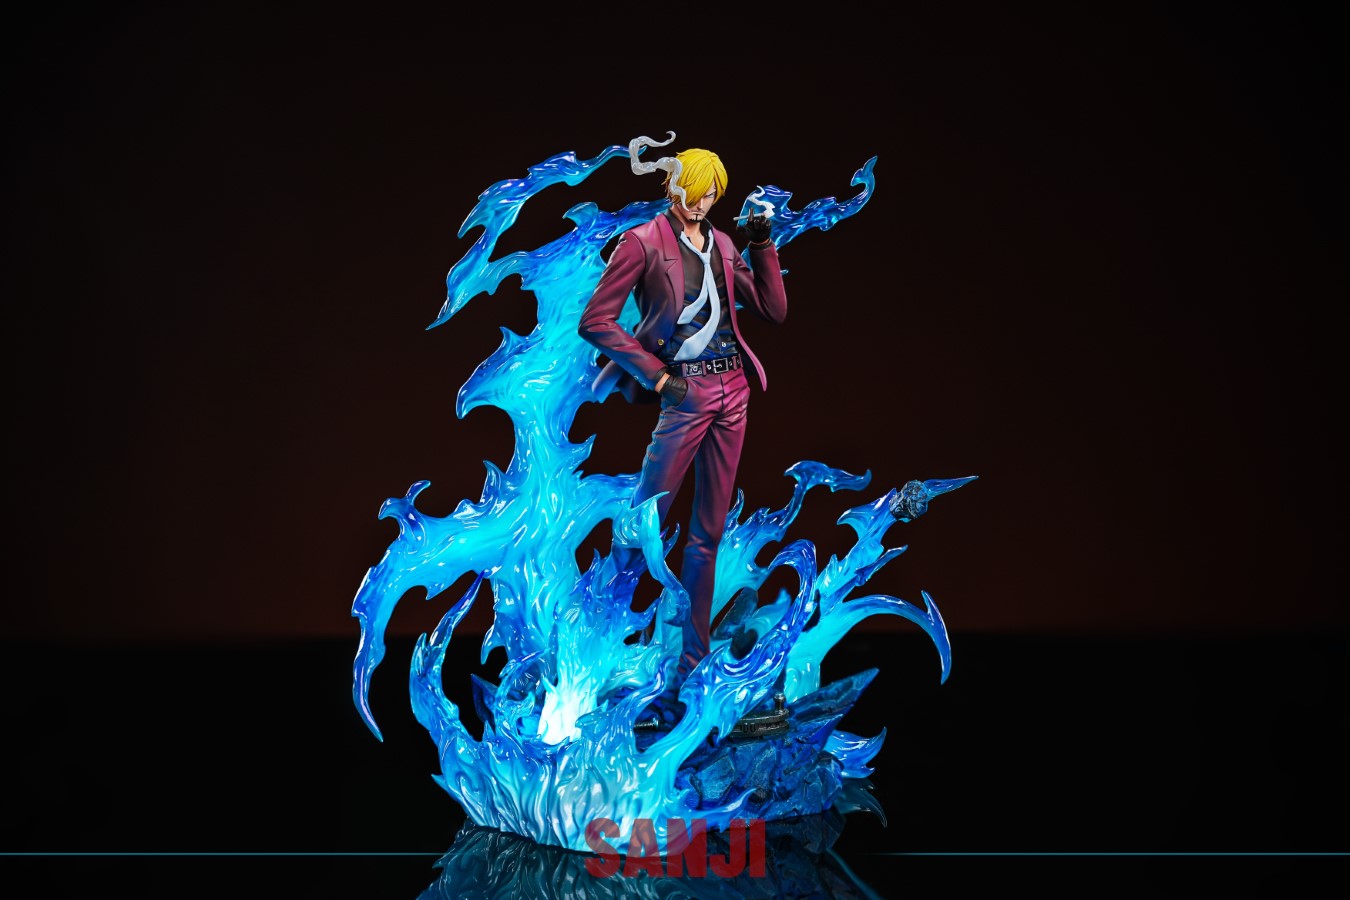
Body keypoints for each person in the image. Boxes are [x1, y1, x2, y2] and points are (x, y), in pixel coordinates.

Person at [578, 142, 787, 679]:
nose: (698, 203)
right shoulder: (643, 242)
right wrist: (657, 376)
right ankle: (596, 650)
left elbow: (772, 310)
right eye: (690, 192)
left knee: (706, 536)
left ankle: (691, 664)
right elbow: (596, 320)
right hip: (685, 391)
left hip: (733, 389)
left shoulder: (723, 242)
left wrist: (761, 244)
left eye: (709, 194)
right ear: (671, 186)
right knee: (643, 525)